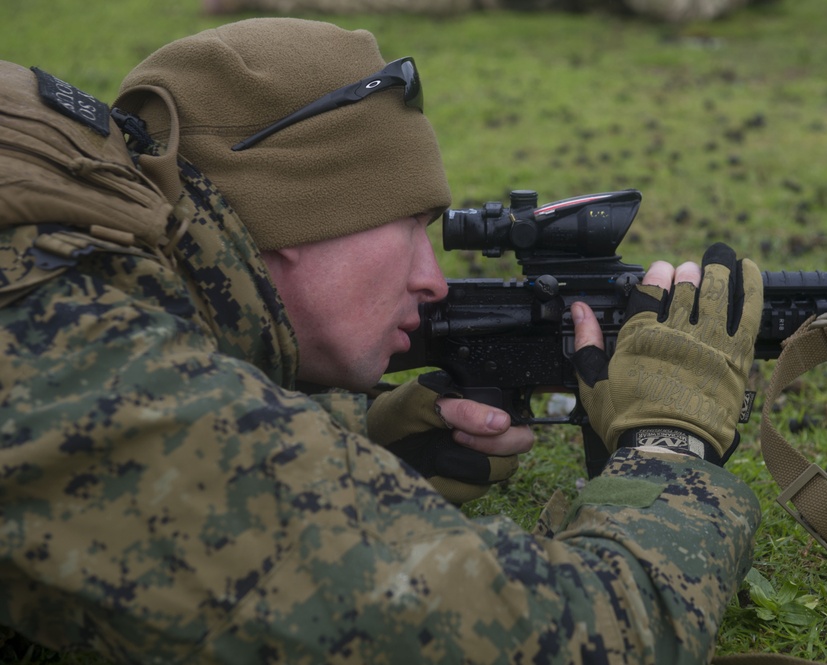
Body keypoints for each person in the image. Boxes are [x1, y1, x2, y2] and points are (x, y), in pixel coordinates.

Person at [0, 17, 762, 664]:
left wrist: (351, 443)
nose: (433, 278)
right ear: (294, 221)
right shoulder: (84, 348)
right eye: (409, 226)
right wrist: (670, 445)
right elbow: (580, 636)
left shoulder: (74, 241)